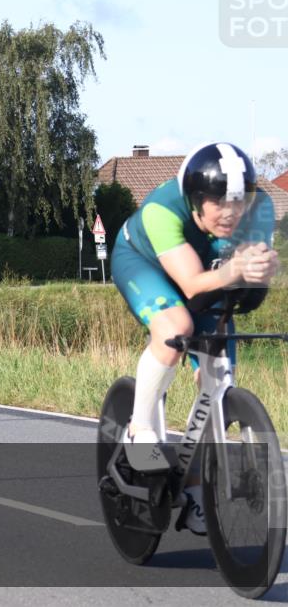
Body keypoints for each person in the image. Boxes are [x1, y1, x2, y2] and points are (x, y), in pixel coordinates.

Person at [110, 141, 278, 535]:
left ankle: (192, 482)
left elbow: (246, 293)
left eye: (239, 201)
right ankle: (139, 428)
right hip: (146, 265)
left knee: (218, 380)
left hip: (211, 275)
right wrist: (238, 269)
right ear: (195, 199)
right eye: (218, 202)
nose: (230, 213)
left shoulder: (262, 209)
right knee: (176, 328)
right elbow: (190, 285)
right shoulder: (161, 209)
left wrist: (261, 272)